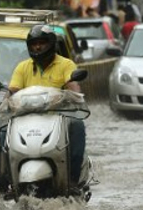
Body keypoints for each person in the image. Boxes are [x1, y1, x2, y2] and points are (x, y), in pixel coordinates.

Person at [6, 24, 86, 190]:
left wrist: (73, 97)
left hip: (59, 118)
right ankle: (8, 182)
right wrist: (6, 102)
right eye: (34, 43)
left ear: (51, 43)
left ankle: (72, 181)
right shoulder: (23, 67)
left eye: (42, 42)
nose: (38, 46)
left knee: (78, 127)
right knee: (3, 135)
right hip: (27, 120)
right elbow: (13, 91)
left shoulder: (66, 65)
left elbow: (73, 88)